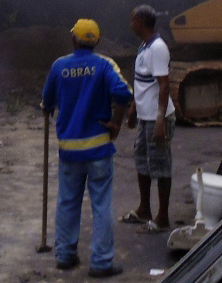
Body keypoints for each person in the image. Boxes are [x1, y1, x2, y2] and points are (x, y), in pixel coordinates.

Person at [42, 19, 132, 278]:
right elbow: (124, 93)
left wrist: (51, 107)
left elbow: (46, 102)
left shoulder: (59, 66)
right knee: (101, 205)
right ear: (97, 41)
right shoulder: (104, 65)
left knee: (68, 202)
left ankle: (65, 255)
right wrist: (116, 121)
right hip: (99, 149)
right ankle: (101, 262)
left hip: (69, 150)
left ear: (73, 39)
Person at [120, 4, 176, 233]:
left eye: (133, 19)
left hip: (157, 118)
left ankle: (162, 217)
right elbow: (142, 82)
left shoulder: (158, 49)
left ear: (141, 22)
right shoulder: (144, 47)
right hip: (145, 117)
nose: (130, 23)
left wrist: (160, 121)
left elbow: (164, 86)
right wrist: (134, 108)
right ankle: (145, 210)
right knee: (142, 160)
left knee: (161, 164)